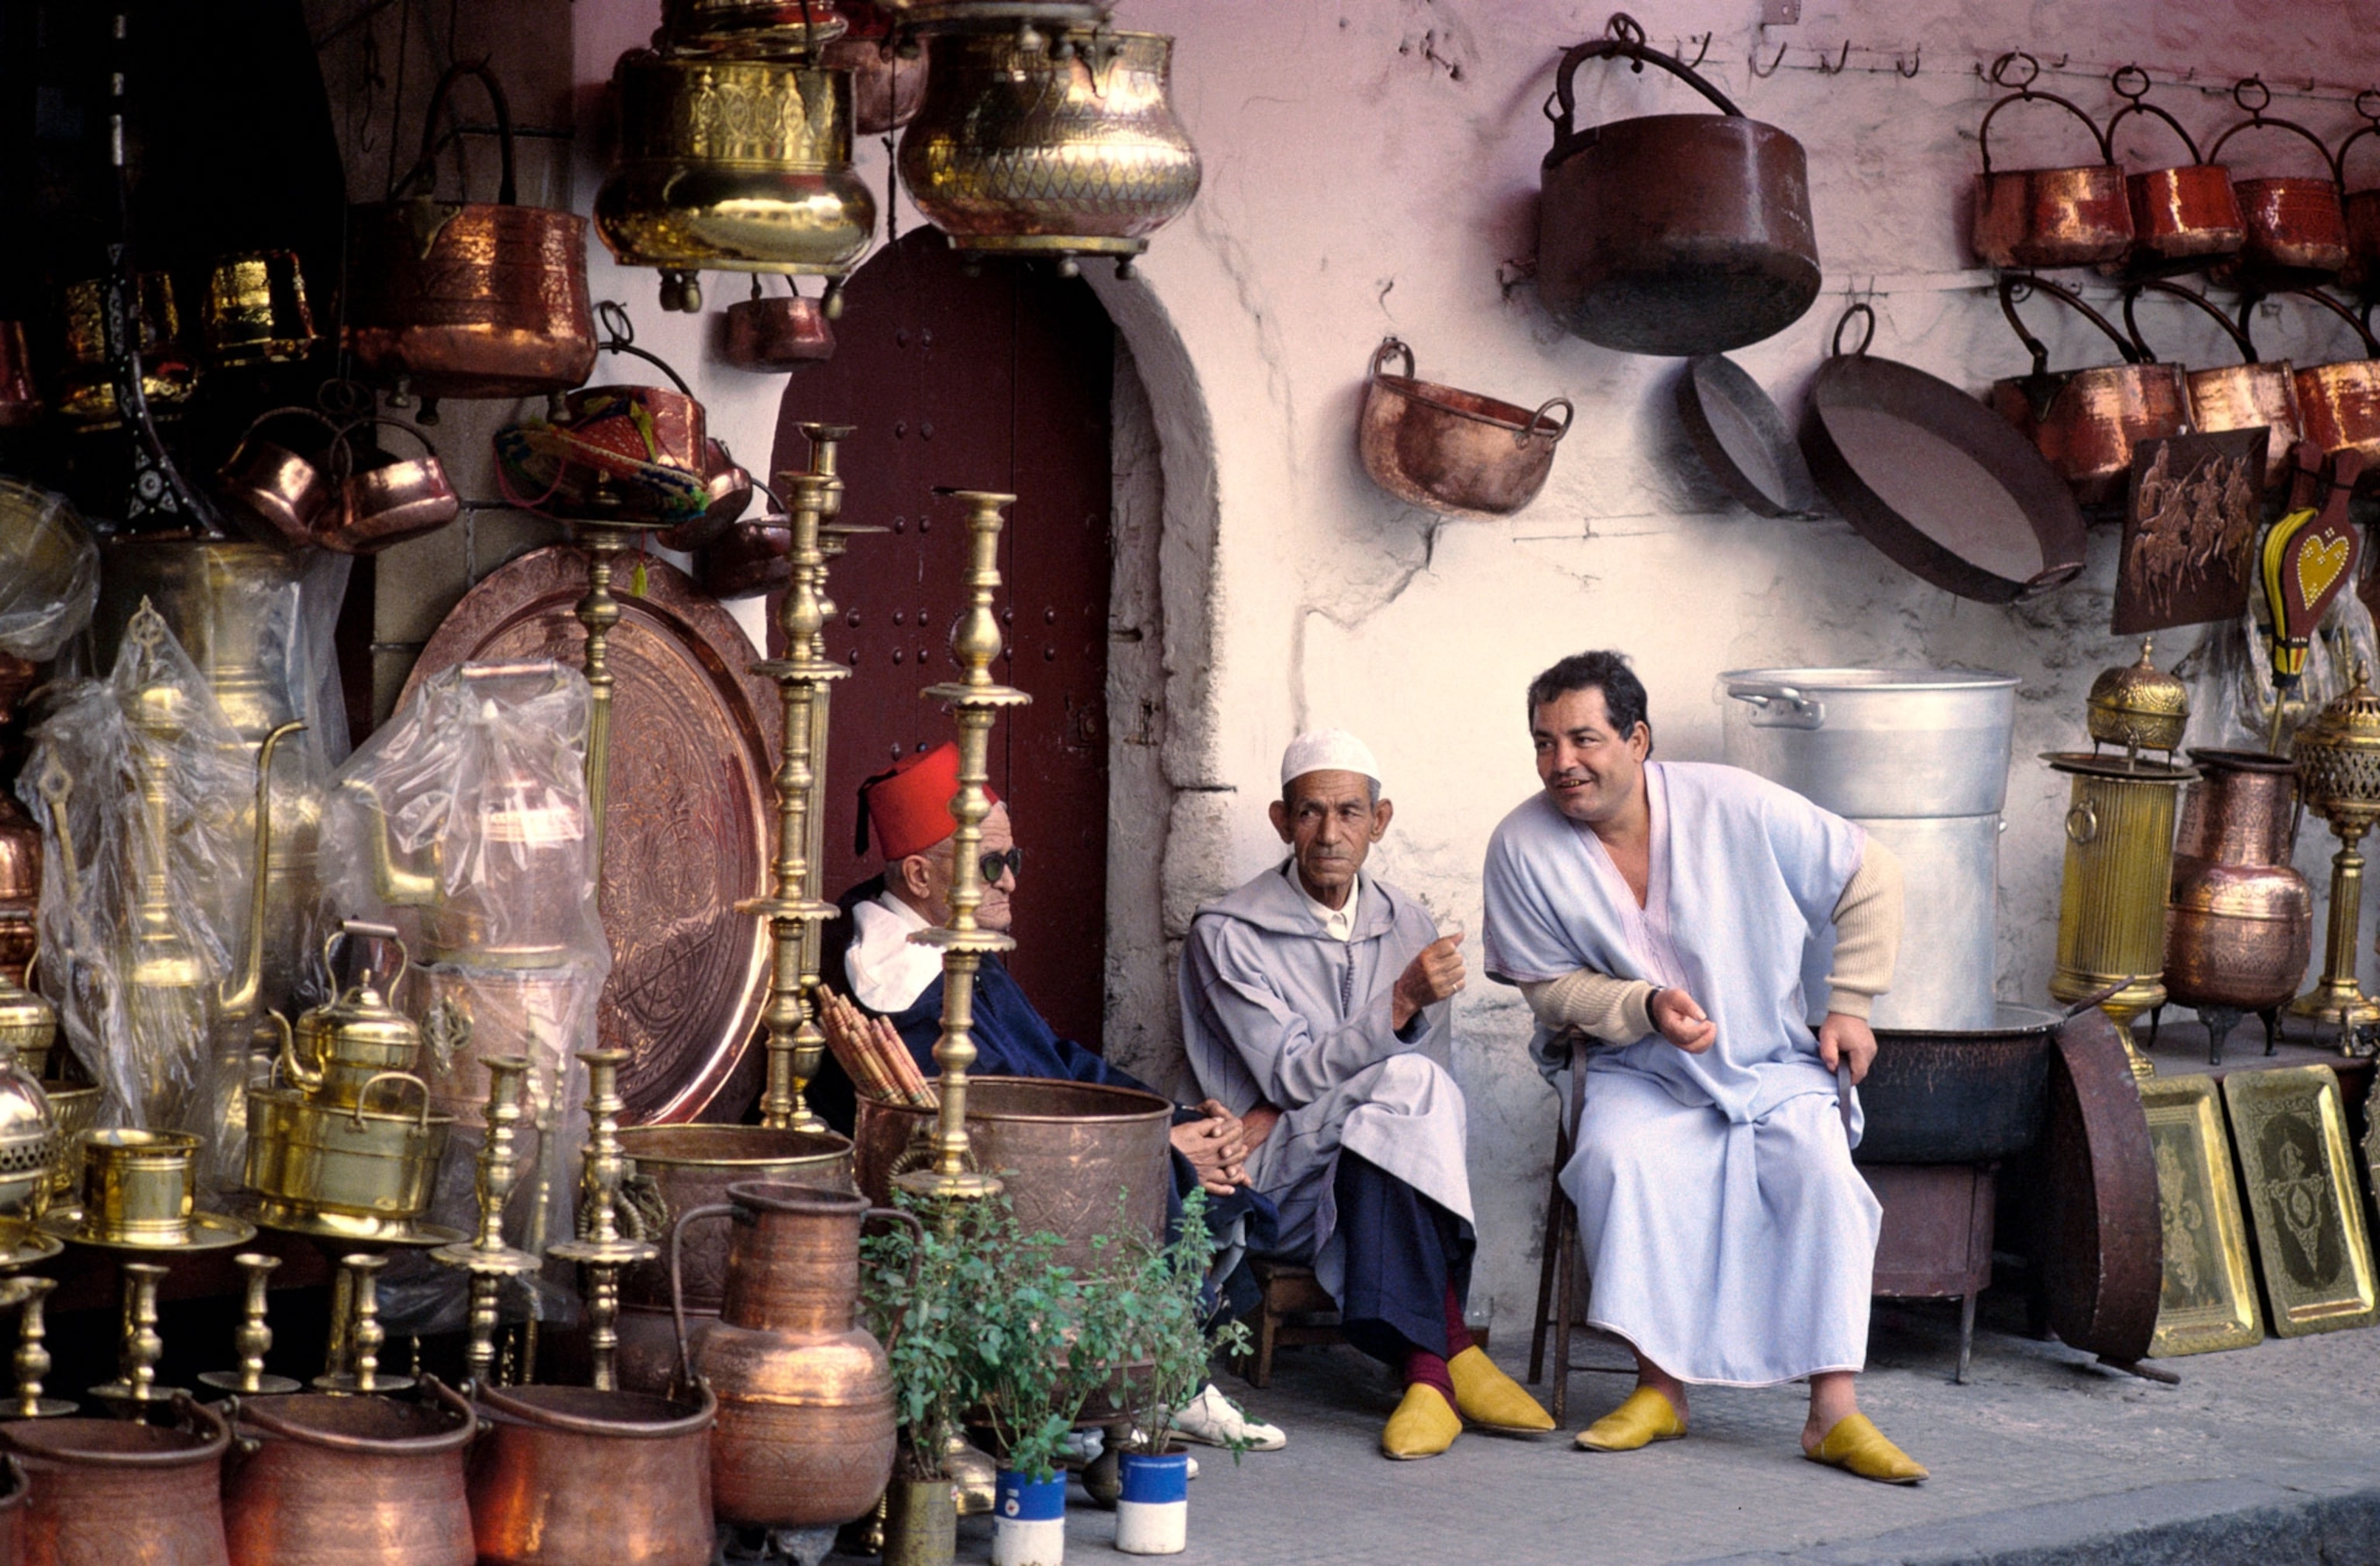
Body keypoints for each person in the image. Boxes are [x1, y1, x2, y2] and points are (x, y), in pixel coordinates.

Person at [1479, 650, 1926, 1484]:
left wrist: (1852, 999)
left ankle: (1833, 1409)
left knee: (1821, 1171)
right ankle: (1659, 1388)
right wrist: (1641, 1007)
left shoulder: (1733, 801)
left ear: (1638, 738)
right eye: (1544, 742)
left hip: (1767, 1056)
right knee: (1620, 1160)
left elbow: (1873, 872)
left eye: (1583, 738)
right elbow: (1548, 989)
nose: (1560, 762)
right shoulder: (1521, 844)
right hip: (1634, 1068)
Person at [816, 742, 1284, 1454]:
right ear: (917, 874)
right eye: (990, 864)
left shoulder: (961, 949)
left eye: (1015, 861)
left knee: (1207, 1163)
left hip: (1056, 1147)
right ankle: (1140, 1387)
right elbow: (995, 1125)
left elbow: (1058, 1064)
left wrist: (1170, 1119)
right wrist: (1160, 1148)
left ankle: (1164, 1376)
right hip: (1005, 1181)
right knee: (1177, 1181)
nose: (1011, 883)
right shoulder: (895, 986)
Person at [1180, 730, 1554, 1461]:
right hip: (1269, 1178)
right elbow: (1290, 1071)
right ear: (1281, 820)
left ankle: (1428, 1380)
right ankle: (1447, 1354)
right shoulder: (1227, 932)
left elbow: (1427, 1100)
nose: (1330, 833)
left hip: (1362, 1161)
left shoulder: (1406, 924)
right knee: (1403, 1086)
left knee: (1416, 1093)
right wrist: (1397, 1005)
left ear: (1379, 822)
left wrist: (1294, 1102)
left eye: (1350, 812)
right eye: (1311, 812)